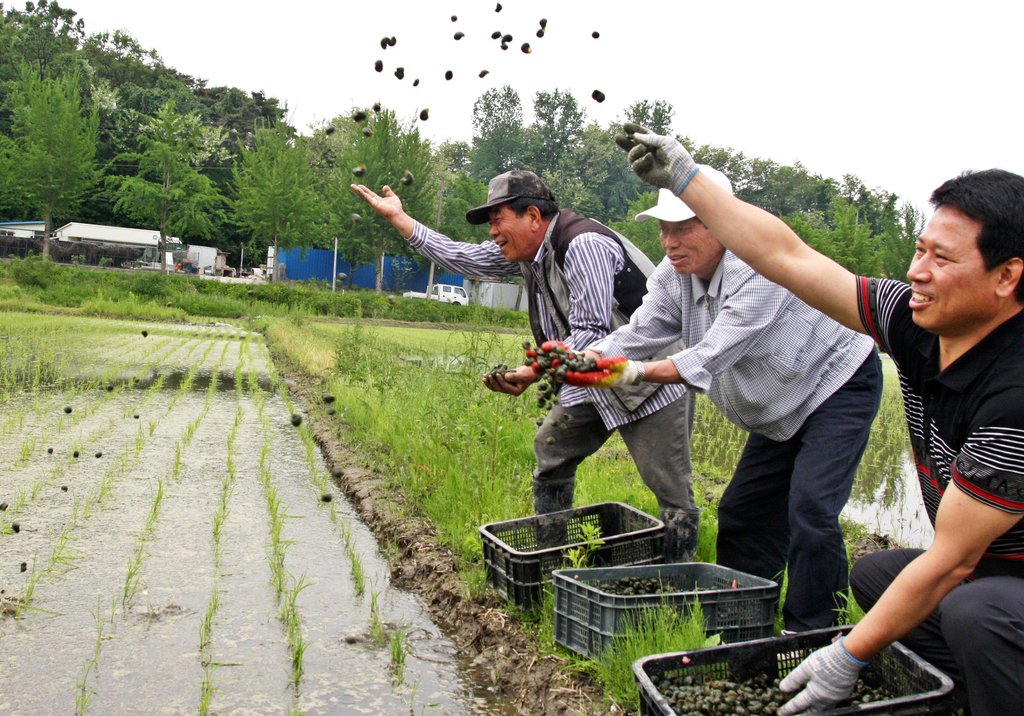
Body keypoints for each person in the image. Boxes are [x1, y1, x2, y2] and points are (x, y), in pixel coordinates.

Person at [616, 123, 1024, 715]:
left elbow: (952, 560)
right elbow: (787, 255)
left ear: (1007, 276)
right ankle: (959, 694)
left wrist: (847, 656)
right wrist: (685, 177)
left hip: (996, 582)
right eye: (919, 250)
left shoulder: (1014, 397)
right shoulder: (913, 322)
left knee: (968, 608)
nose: (917, 272)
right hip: (992, 570)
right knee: (877, 577)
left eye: (942, 258)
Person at [576, 166, 883, 632]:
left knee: (812, 511)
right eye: (663, 228)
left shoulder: (758, 267)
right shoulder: (672, 275)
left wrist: (622, 372)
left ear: (720, 223)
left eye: (682, 228)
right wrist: (580, 359)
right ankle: (742, 626)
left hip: (834, 383)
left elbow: (711, 353)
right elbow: (640, 332)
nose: (669, 242)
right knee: (743, 513)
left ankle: (815, 634)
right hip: (778, 407)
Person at [350, 171, 700, 560]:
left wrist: (534, 371)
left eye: (498, 220)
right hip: (586, 377)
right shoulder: (527, 255)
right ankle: (553, 562)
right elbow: (462, 256)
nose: (493, 232)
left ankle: (678, 580)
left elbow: (590, 330)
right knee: (551, 453)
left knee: (668, 485)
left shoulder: (582, 243)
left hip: (649, 377)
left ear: (533, 216)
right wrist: (401, 218)